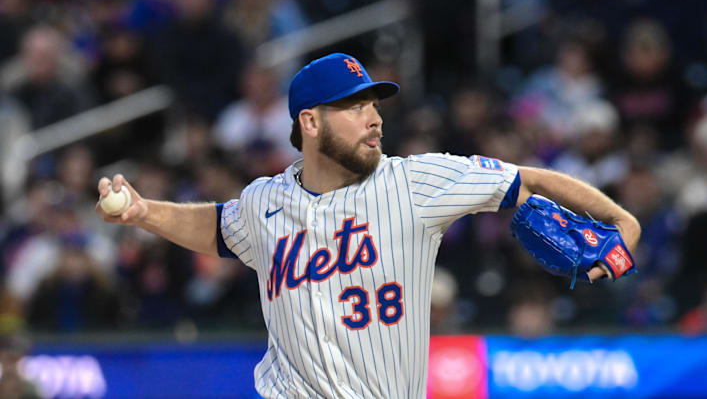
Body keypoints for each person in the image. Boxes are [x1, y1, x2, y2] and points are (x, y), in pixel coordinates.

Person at [96, 53, 641, 398]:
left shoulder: (417, 182)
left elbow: (531, 179)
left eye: (374, 104)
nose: (374, 117)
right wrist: (145, 214)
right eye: (354, 106)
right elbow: (217, 228)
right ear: (310, 122)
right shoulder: (264, 202)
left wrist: (619, 219)